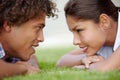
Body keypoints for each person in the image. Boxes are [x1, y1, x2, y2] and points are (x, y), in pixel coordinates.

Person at [57, 0, 120, 71]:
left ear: (104, 22)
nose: (75, 41)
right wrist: (83, 59)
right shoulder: (100, 41)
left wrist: (85, 67)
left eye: (79, 30)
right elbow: (62, 61)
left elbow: (106, 68)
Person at [0, 0, 56, 78]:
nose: (41, 38)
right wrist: (22, 69)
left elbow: (32, 57)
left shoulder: (11, 53)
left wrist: (31, 65)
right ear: (9, 25)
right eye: (38, 27)